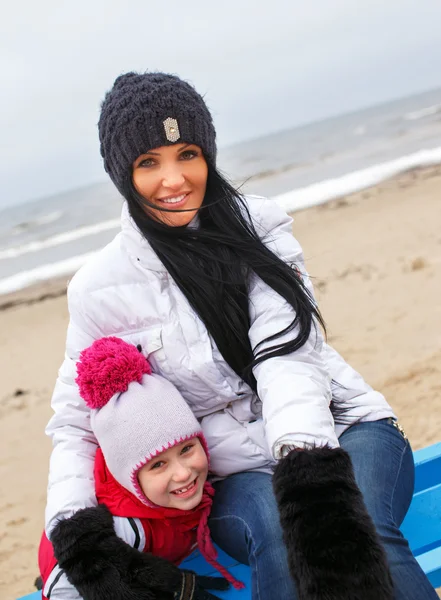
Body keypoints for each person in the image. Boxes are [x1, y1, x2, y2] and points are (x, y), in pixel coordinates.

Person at [43, 71, 438, 599]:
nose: (174, 179)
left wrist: (311, 476)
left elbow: (287, 357)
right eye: (148, 163)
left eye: (187, 153)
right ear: (123, 175)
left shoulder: (260, 230)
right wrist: (76, 533)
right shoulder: (99, 290)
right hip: (231, 476)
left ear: (207, 153)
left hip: (342, 430)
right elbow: (76, 421)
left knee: (351, 523)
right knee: (276, 538)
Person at [39, 336, 238, 599]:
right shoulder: (126, 529)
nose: (182, 473)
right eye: (157, 464)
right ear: (130, 477)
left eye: (187, 449)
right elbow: (61, 586)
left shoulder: (189, 488)